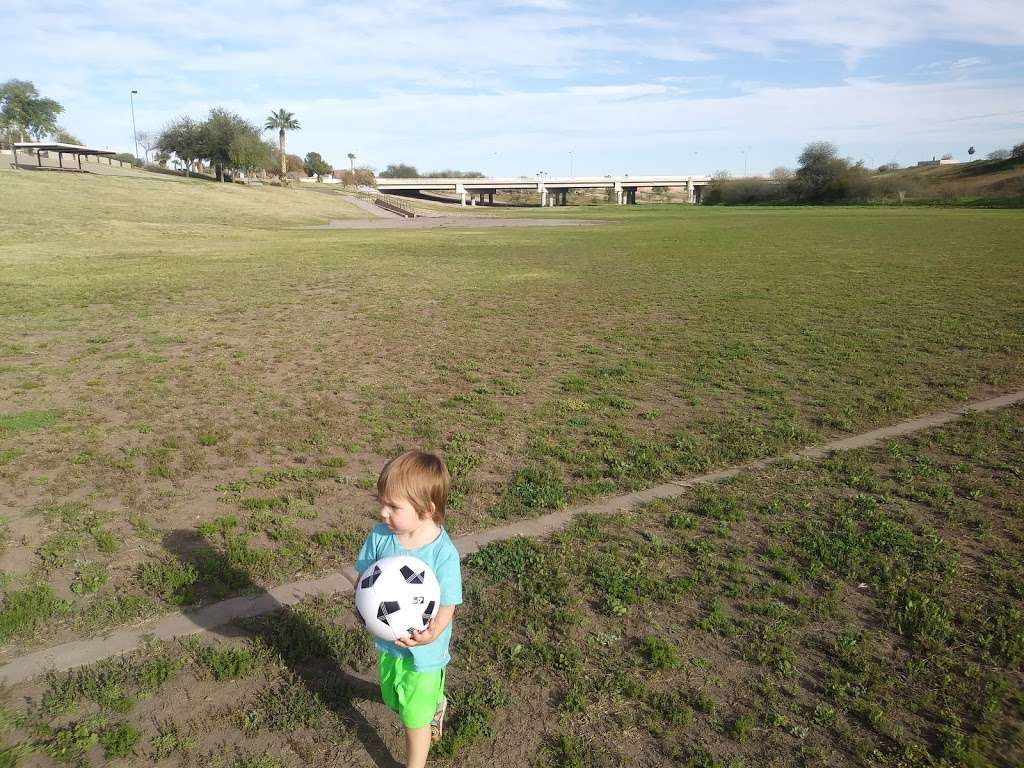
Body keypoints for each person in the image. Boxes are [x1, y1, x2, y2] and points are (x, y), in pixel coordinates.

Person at [355, 450, 463, 768]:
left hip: (424, 657)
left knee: (413, 720)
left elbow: (448, 603)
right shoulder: (381, 537)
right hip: (389, 645)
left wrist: (431, 634)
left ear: (427, 509)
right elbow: (364, 576)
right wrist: (364, 603)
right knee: (393, 698)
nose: (383, 512)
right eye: (381, 502)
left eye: (393, 507)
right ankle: (434, 703)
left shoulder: (443, 554)